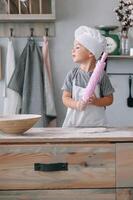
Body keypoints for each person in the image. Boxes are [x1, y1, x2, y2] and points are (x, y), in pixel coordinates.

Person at [62, 26, 114, 127]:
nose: (73, 50)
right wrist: (77, 104)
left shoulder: (101, 75)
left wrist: (96, 101)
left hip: (97, 126)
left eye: (77, 47)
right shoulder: (72, 74)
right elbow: (65, 98)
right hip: (73, 126)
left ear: (91, 52)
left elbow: (109, 99)